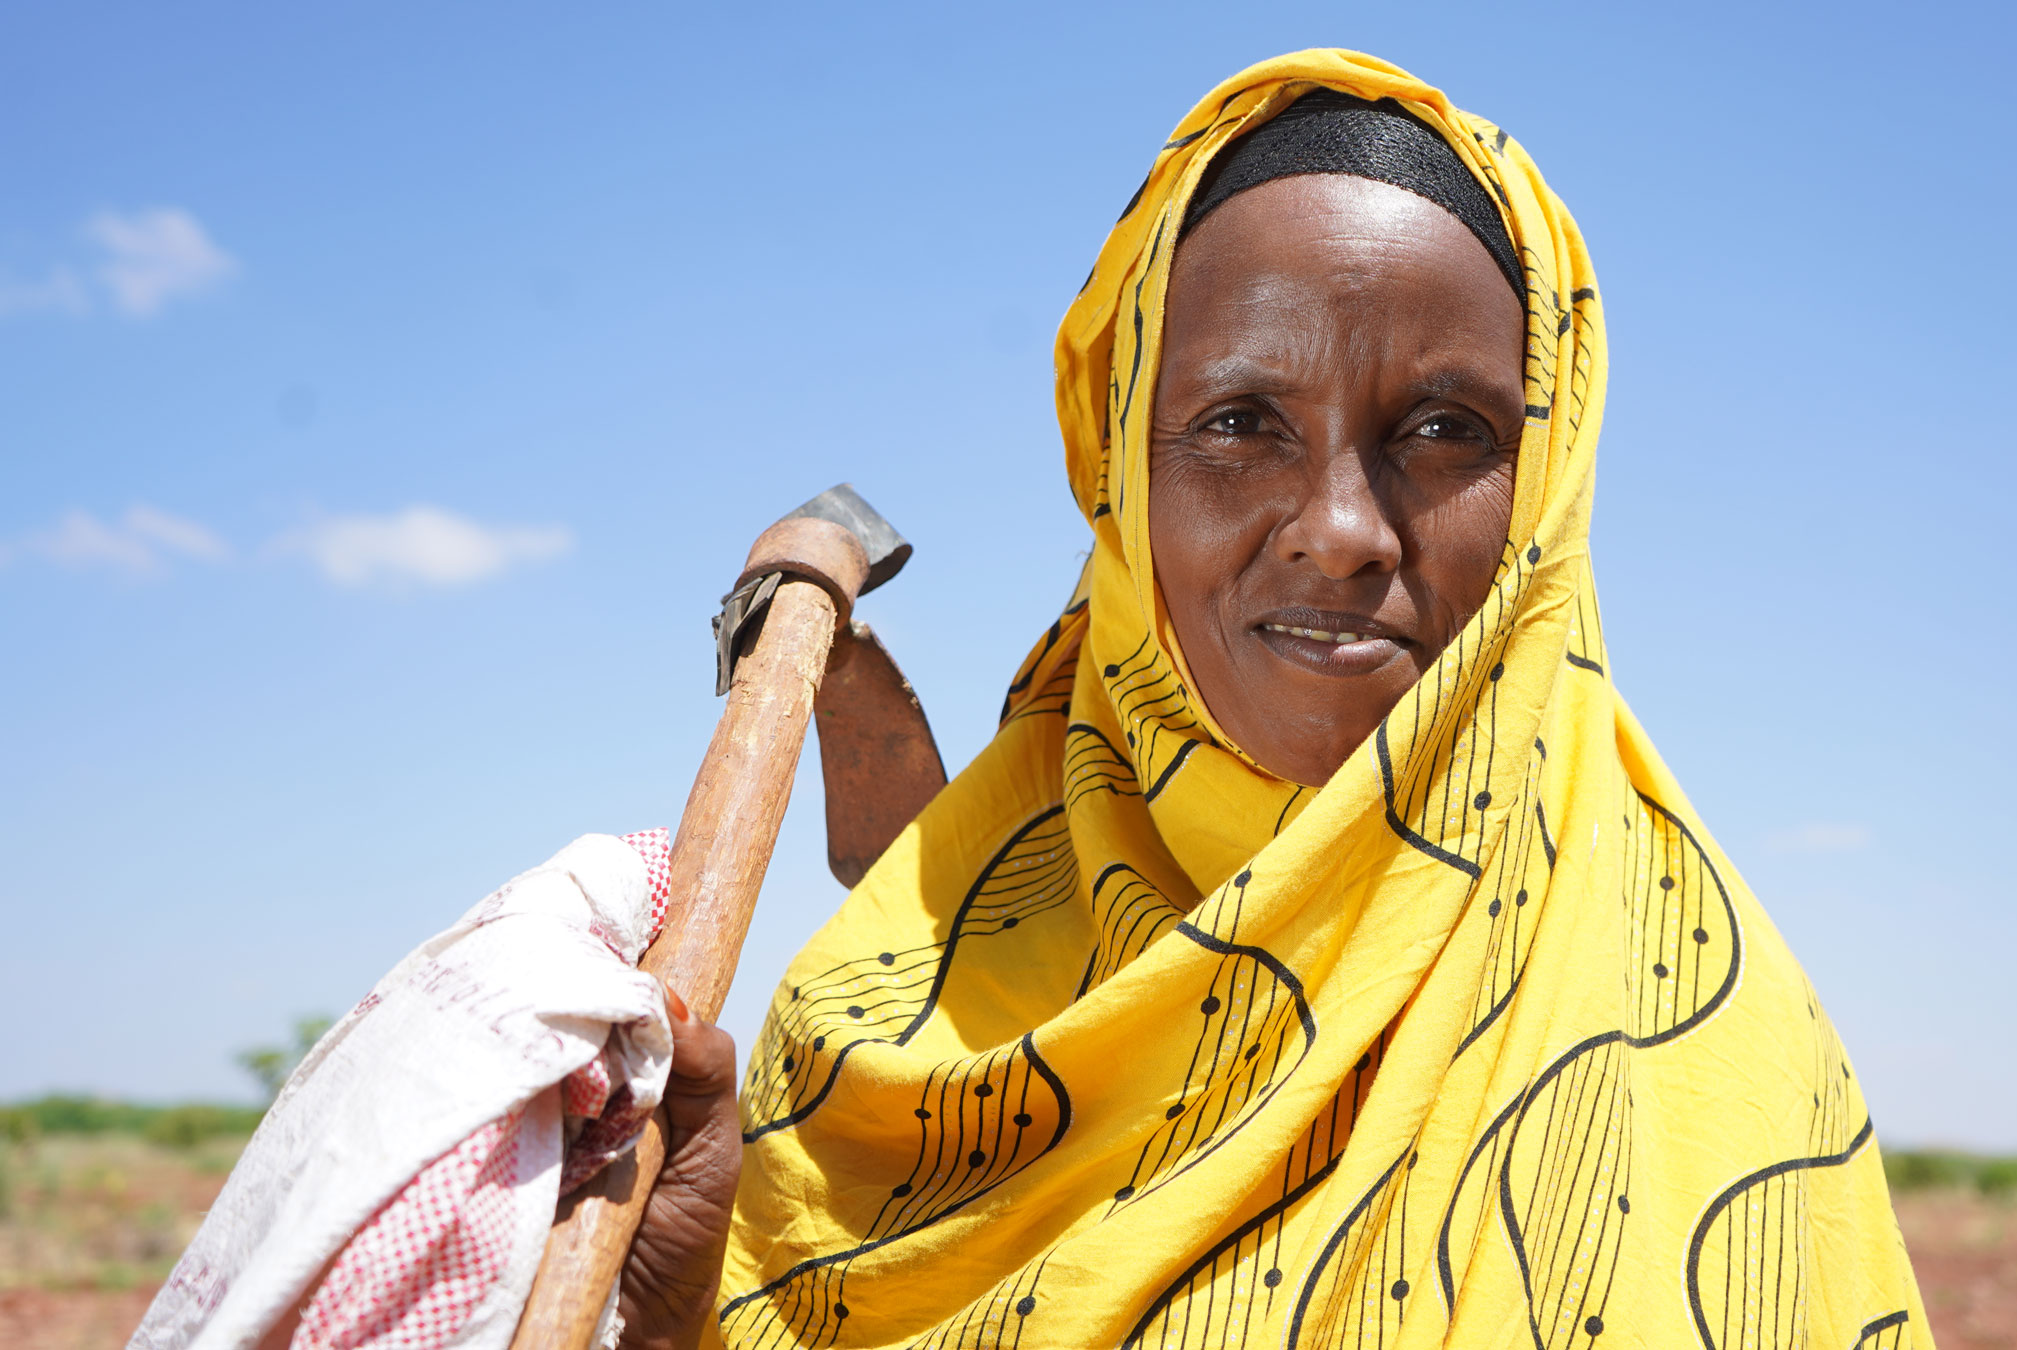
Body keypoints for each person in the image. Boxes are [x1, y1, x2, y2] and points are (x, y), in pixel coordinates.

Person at [624, 49, 1933, 1350]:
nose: (1345, 528)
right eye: (1243, 422)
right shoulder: (876, 1045)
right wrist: (672, 1314)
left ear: (1547, 487)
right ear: (1126, 475)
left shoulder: (1727, 1061)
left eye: (1446, 431)